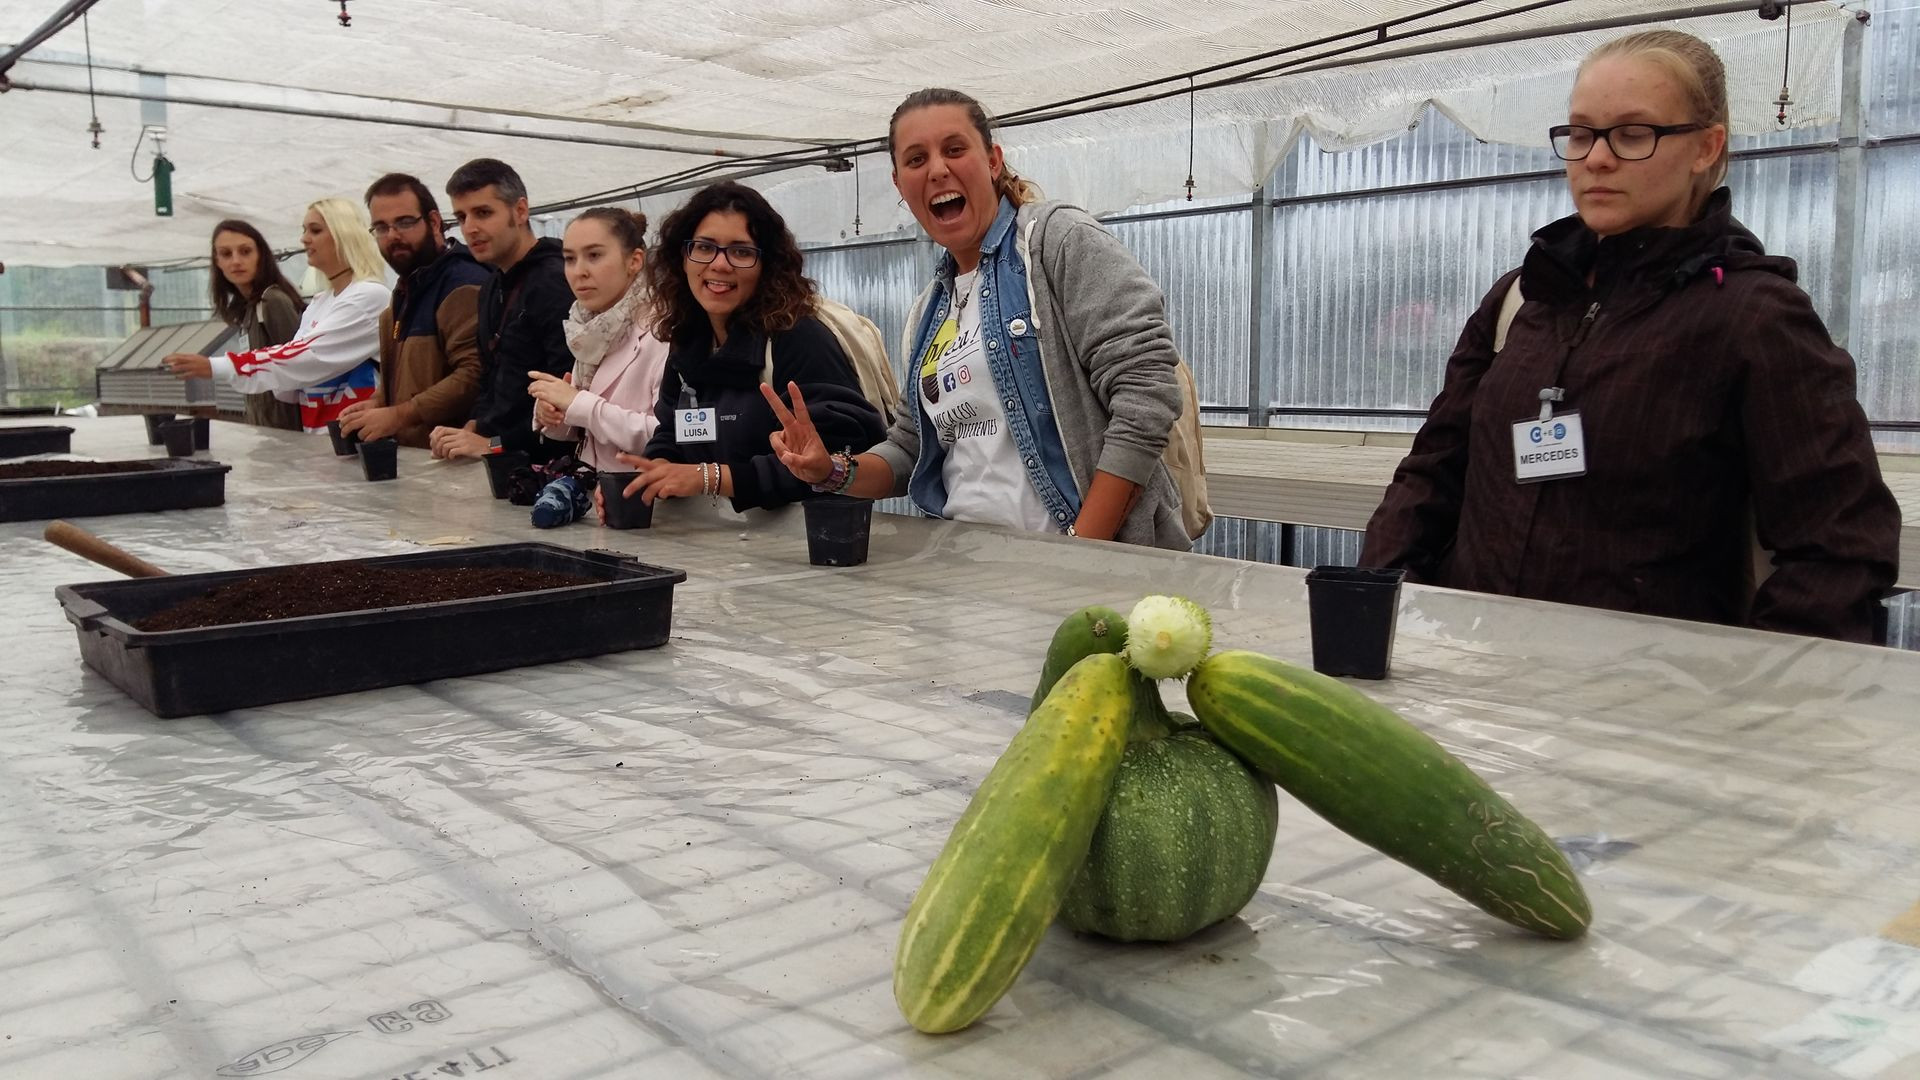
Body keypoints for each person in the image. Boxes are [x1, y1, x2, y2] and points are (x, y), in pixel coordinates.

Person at [1358, 30, 1899, 643]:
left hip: (1643, 707)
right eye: (1582, 133)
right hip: (1478, 678)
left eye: (1633, 133)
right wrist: (1377, 613)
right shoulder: (1523, 299)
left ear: (1705, 147)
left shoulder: (1755, 318)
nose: (1597, 158)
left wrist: (1746, 701)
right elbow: (1431, 473)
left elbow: (1839, 548)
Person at [763, 88, 1189, 548]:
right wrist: (831, 470)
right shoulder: (929, 309)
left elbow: (1146, 393)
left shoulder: (1055, 242)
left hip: (1081, 566)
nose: (938, 169)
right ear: (899, 184)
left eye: (954, 149)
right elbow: (910, 446)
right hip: (968, 565)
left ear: (992, 161)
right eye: (916, 159)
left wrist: (1081, 549)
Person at [615, 181, 884, 511]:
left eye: (741, 252)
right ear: (682, 258)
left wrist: (711, 477)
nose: (720, 264)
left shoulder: (797, 338)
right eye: (704, 247)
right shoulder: (688, 343)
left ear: (766, 266)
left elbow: (833, 456)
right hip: (724, 544)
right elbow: (673, 432)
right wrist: (653, 475)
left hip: (807, 544)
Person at [164, 198, 388, 431]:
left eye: (316, 230)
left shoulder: (368, 296)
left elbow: (301, 359)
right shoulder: (319, 303)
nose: (304, 238)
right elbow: (291, 378)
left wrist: (221, 366)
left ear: (346, 234)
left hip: (354, 442)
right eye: (225, 254)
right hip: (319, 440)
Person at [529, 208, 671, 520]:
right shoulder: (588, 327)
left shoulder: (665, 332)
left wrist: (578, 403)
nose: (579, 271)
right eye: (569, 258)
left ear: (634, 261)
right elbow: (591, 431)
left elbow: (666, 436)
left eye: (594, 256)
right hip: (603, 506)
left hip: (656, 513)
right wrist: (556, 414)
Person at [428, 158, 572, 462]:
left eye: (483, 213)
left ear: (520, 211)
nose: (470, 228)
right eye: (461, 216)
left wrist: (491, 443)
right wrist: (476, 424)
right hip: (502, 457)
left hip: (545, 467)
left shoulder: (555, 281)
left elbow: (568, 403)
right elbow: (492, 377)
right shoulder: (492, 284)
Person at [336, 173, 489, 448]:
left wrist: (397, 415)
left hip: (454, 465)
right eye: (381, 227)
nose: (393, 236)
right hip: (417, 461)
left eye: (404, 222)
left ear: (433, 222)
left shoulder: (463, 284)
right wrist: (378, 403)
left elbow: (472, 375)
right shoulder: (407, 289)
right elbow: (413, 373)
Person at [205, 218, 306, 430]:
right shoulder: (247, 308)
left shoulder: (273, 301)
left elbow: (300, 366)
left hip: (289, 431)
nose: (236, 261)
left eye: (245, 251)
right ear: (217, 261)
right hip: (264, 428)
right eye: (226, 254)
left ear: (261, 255)